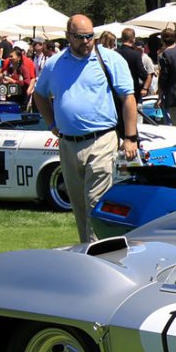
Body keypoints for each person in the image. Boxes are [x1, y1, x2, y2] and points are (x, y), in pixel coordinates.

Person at [32, 15, 139, 244]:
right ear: (68, 36)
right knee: (79, 207)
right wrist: (51, 124)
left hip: (102, 140)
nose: (87, 41)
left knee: (95, 202)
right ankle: (89, 253)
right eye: (80, 37)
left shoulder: (110, 59)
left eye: (90, 36)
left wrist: (130, 138)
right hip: (68, 144)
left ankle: (100, 257)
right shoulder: (55, 63)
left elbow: (128, 99)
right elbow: (39, 95)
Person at [116, 28, 148, 96]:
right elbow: (143, 74)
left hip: (117, 89)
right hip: (132, 89)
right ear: (133, 39)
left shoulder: (115, 53)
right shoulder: (135, 55)